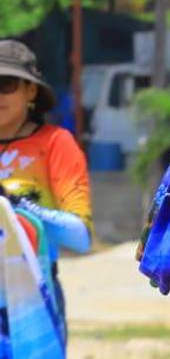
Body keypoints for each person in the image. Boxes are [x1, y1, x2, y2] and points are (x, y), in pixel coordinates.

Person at [0, 40, 93, 339]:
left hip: (31, 304)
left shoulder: (55, 144)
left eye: (6, 83)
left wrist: (15, 204)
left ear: (31, 91)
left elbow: (80, 237)